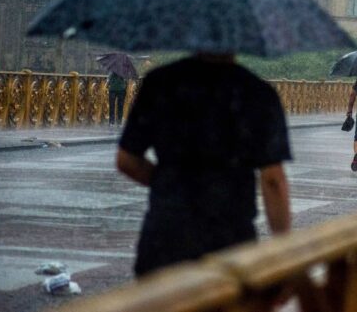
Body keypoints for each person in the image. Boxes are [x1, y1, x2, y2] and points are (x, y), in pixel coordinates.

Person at [116, 53, 292, 276]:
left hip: (166, 234)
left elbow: (126, 160)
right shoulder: (257, 93)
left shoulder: (160, 82)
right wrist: (283, 249)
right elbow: (273, 179)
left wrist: (172, 183)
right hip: (230, 237)